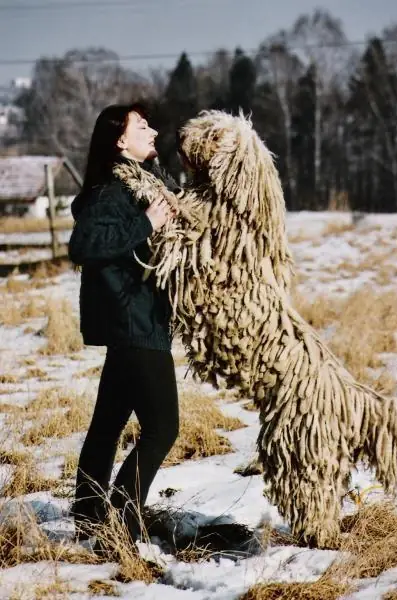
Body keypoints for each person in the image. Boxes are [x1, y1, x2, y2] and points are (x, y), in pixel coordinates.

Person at [68, 102, 180, 551]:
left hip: (137, 319)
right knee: (162, 428)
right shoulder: (111, 192)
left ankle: (88, 516)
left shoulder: (141, 184)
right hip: (134, 322)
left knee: (107, 425)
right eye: (142, 126)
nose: (153, 132)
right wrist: (146, 222)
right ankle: (121, 517)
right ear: (120, 140)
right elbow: (84, 244)